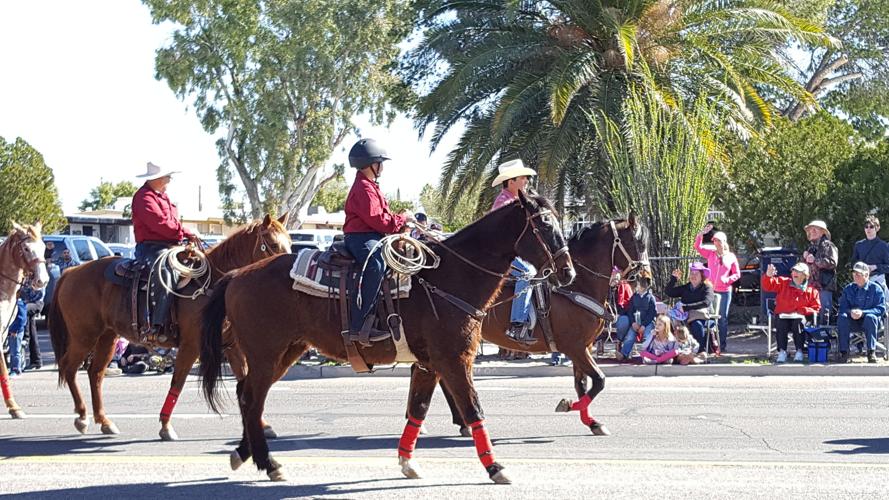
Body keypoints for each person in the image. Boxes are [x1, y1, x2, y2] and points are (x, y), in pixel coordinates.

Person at [342, 139, 412, 343]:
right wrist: (402, 219)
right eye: (379, 162)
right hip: (360, 238)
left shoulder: (370, 186)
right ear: (371, 164)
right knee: (376, 264)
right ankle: (359, 324)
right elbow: (379, 221)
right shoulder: (364, 188)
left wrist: (399, 220)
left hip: (370, 235)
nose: (382, 167)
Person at [131, 161, 197, 340]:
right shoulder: (143, 197)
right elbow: (160, 224)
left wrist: (184, 235)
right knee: (165, 270)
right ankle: (157, 326)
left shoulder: (163, 197)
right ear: (157, 178)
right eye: (167, 176)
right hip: (151, 247)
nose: (169, 179)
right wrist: (185, 232)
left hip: (170, 245)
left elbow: (171, 223)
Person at [489, 158, 540, 345]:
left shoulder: (514, 201)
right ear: (511, 182)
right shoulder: (505, 204)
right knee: (527, 273)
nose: (526, 181)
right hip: (500, 256)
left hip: (509, 254)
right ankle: (517, 324)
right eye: (523, 178)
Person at [762, 262, 821, 363]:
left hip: (801, 319)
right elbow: (768, 286)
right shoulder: (783, 282)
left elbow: (816, 308)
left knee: (798, 323)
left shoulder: (812, 291)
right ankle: (782, 351)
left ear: (805, 275)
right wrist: (768, 275)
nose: (794, 273)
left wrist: (803, 310)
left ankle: (799, 351)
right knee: (781, 323)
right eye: (793, 270)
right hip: (783, 316)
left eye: (797, 271)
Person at [694, 225, 740, 352]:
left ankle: (722, 345)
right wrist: (701, 234)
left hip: (724, 291)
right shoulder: (710, 254)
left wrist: (727, 280)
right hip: (711, 290)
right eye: (714, 241)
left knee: (722, 318)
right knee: (709, 316)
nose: (716, 243)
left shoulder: (730, 256)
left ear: (724, 242)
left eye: (718, 241)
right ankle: (710, 343)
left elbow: (737, 274)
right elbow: (698, 247)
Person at [837, 262, 886, 363]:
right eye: (854, 274)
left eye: (858, 274)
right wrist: (850, 312)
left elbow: (881, 308)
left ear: (867, 275)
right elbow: (843, 307)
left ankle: (871, 352)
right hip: (853, 321)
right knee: (842, 318)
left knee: (870, 317)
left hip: (870, 322)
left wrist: (863, 313)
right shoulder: (848, 289)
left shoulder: (876, 289)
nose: (855, 277)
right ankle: (844, 352)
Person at [665, 262, 715, 353]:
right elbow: (669, 292)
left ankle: (700, 351)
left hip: (700, 316)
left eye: (696, 274)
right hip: (684, 316)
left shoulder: (707, 287)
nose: (693, 276)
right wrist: (674, 279)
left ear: (702, 276)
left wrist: (686, 308)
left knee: (696, 324)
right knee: (669, 322)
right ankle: (674, 350)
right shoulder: (687, 287)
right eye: (692, 273)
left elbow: (706, 303)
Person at [615, 276, 657, 361]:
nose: (638, 287)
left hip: (647, 323)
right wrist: (633, 323)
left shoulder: (650, 298)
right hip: (636, 322)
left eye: (639, 285)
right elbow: (630, 311)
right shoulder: (634, 297)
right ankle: (624, 354)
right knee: (630, 337)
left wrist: (644, 325)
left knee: (647, 336)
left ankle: (647, 354)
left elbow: (652, 313)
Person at [803, 220, 838, 323]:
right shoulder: (810, 247)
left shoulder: (828, 245)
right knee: (810, 316)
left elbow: (832, 263)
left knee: (824, 317)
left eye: (815, 229)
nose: (812, 231)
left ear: (823, 232)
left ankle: (824, 338)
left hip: (824, 287)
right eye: (811, 229)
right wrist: (803, 258)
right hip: (810, 287)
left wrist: (815, 261)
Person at [850, 215, 889, 300]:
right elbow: (853, 263)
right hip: (861, 280)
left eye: (871, 227)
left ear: (877, 228)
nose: (868, 229)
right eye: (866, 227)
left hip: (877, 279)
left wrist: (875, 267)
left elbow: (888, 266)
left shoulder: (883, 246)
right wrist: (861, 267)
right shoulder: (859, 245)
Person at [21, 282, 45, 370]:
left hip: (37, 303)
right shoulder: (24, 278)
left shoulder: (38, 276)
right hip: (28, 303)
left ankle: (25, 337)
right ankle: (36, 361)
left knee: (25, 309)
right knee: (33, 332)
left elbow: (39, 293)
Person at [6, 298, 27, 377]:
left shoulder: (18, 303)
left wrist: (15, 330)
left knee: (15, 351)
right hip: (10, 330)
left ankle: (16, 370)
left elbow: (22, 319)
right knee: (13, 351)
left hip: (16, 332)